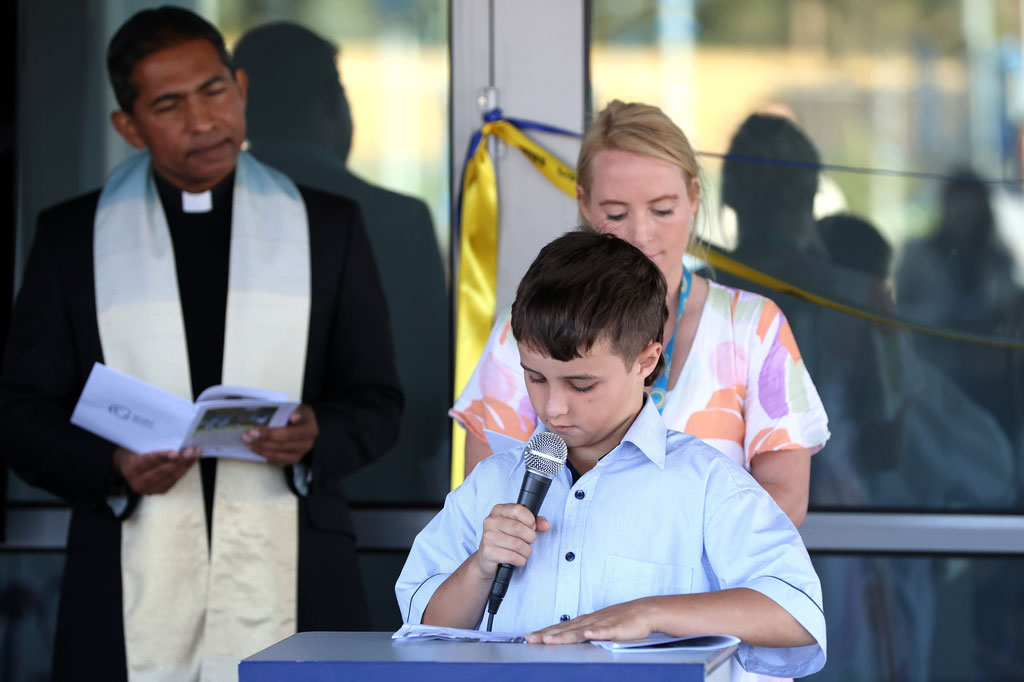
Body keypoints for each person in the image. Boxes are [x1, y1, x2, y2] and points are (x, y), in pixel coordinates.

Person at [0, 7, 402, 682]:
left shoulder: (328, 227)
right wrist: (112, 464)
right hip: (122, 576)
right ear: (128, 127)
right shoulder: (71, 238)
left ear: (241, 88)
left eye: (214, 90)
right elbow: (21, 416)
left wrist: (315, 434)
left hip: (297, 566)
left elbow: (378, 401)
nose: (203, 121)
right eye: (169, 104)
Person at [397, 232, 826, 679]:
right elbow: (420, 633)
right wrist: (481, 567)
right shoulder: (491, 484)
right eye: (535, 378)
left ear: (646, 360)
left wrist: (652, 612)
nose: (552, 407)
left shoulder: (708, 483)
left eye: (581, 385)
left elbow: (797, 615)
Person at [451, 100, 828, 527]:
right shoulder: (521, 328)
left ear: (693, 198)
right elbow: (484, 501)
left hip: (703, 593)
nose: (641, 235)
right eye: (616, 214)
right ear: (586, 206)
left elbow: (784, 503)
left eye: (662, 210)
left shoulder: (753, 327)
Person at [233, 23, 450, 498]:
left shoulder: (209, 210)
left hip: (224, 486)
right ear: (333, 105)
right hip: (383, 500)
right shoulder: (398, 219)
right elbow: (429, 401)